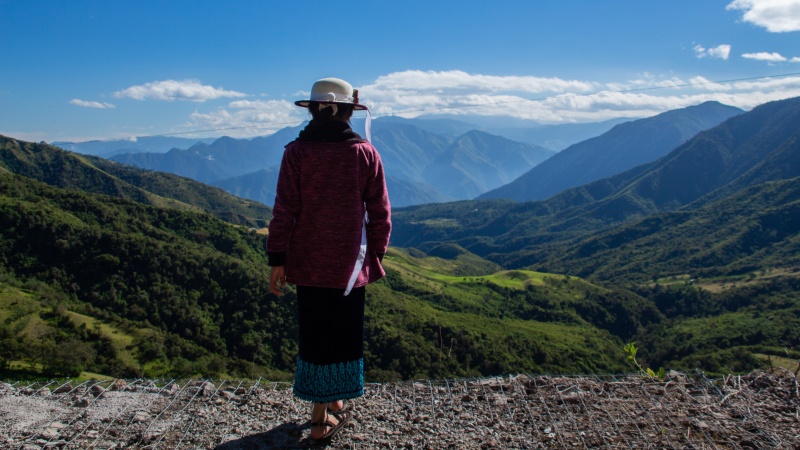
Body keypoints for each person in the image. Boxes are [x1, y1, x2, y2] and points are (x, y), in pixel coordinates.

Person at [266, 77, 391, 442]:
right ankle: (320, 422)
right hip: (350, 264)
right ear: (346, 110)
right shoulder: (364, 154)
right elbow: (379, 211)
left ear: (317, 110)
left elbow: (284, 210)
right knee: (342, 335)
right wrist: (377, 255)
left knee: (316, 335)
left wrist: (278, 258)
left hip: (306, 262)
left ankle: (330, 401)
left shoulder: (296, 153)